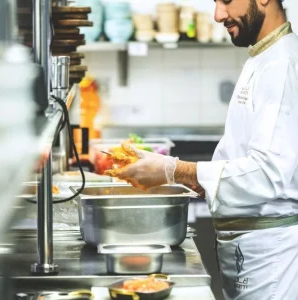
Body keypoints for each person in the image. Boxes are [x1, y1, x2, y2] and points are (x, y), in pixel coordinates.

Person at [105, 0, 298, 299]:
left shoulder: (282, 64)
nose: (218, 15)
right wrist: (184, 177)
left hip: (271, 254)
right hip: (248, 246)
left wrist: (175, 169)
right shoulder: (261, 56)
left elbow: (268, 173)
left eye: (226, 1)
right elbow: (243, 158)